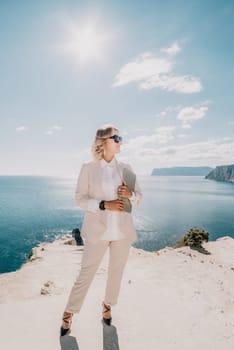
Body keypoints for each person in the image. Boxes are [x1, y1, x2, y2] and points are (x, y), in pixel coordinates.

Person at [60, 125, 142, 337]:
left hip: (122, 232)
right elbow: (80, 199)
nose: (120, 141)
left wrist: (130, 194)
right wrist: (105, 205)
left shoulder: (126, 167)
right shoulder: (88, 168)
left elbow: (139, 197)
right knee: (86, 273)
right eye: (116, 137)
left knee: (116, 272)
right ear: (103, 141)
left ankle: (108, 305)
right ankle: (69, 312)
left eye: (120, 137)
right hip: (97, 231)